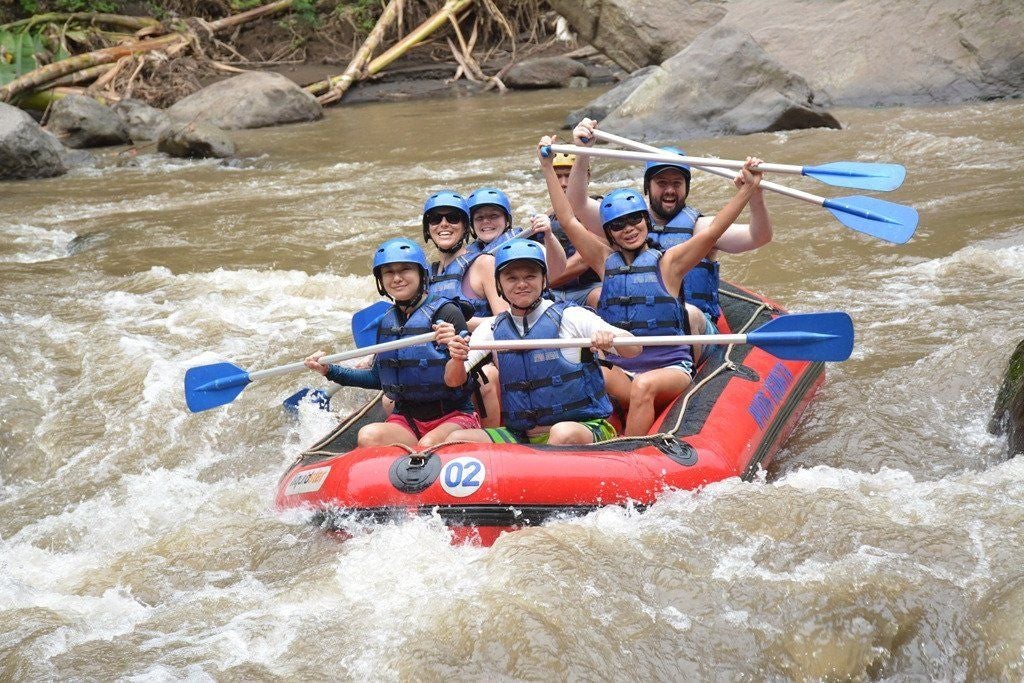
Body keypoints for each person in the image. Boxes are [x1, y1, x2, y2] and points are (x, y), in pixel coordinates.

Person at [540, 134, 764, 436]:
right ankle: (581, 438)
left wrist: (748, 191)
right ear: (609, 232)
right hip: (624, 365)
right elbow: (568, 218)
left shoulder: (670, 264)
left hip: (669, 368)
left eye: (635, 221)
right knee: (578, 368)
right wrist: (546, 166)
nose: (629, 229)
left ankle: (630, 455)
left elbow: (712, 233)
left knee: (643, 386)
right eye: (618, 225)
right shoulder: (605, 261)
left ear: (645, 221)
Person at [567, 118, 774, 361]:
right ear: (647, 186)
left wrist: (755, 194)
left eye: (677, 183)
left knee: (690, 313)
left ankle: (687, 385)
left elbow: (758, 236)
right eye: (661, 183)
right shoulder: (625, 221)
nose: (669, 190)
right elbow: (577, 204)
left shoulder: (700, 227)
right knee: (598, 296)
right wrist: (583, 151)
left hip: (694, 329)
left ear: (686, 188)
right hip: (637, 326)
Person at [441, 239, 640, 446]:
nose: (521, 284)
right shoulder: (491, 329)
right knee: (458, 439)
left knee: (562, 434)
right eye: (511, 278)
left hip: (585, 427)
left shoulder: (571, 317)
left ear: (544, 280)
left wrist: (610, 339)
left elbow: (634, 348)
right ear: (499, 285)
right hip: (523, 435)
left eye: (530, 276)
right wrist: (456, 359)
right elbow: (453, 381)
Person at [304, 238, 479, 448]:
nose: (397, 278)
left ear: (421, 275)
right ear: (381, 280)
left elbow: (456, 381)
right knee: (368, 435)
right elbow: (377, 378)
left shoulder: (448, 313)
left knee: (429, 444)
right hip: (407, 419)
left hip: (453, 416)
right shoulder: (387, 321)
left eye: (405, 269)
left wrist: (456, 355)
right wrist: (329, 370)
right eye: (389, 272)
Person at [422, 189, 506, 329]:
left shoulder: (484, 264)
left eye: (453, 218)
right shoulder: (426, 273)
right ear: (428, 229)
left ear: (465, 227)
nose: (443, 224)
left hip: (477, 349)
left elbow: (506, 321)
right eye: (435, 219)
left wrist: (456, 323)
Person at [465, 185, 568, 278]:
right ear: (472, 225)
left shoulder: (527, 246)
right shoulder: (466, 255)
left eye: (494, 216)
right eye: (479, 217)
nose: (486, 221)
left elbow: (557, 271)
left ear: (507, 221)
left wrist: (549, 236)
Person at [545, 153, 604, 308]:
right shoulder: (546, 216)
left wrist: (539, 281)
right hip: (553, 291)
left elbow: (583, 261)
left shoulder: (598, 210)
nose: (563, 183)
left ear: (586, 176)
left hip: (590, 288)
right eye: (558, 176)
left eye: (569, 176)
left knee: (600, 297)